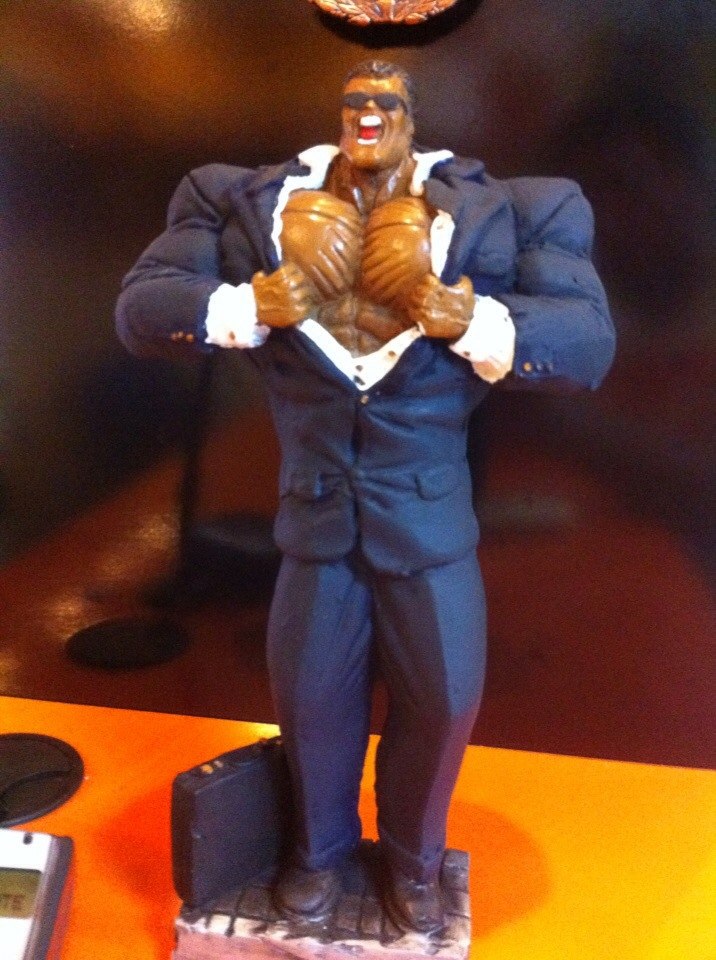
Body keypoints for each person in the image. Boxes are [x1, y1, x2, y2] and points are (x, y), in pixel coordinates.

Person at [116, 60, 615, 934]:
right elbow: (141, 310)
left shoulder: (517, 207)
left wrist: (458, 314)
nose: (369, 115)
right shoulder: (242, 202)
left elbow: (585, 344)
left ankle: (415, 863)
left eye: (387, 103)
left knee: (446, 701)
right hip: (314, 522)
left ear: (414, 117)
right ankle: (319, 854)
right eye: (356, 102)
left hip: (429, 521)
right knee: (310, 702)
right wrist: (253, 303)